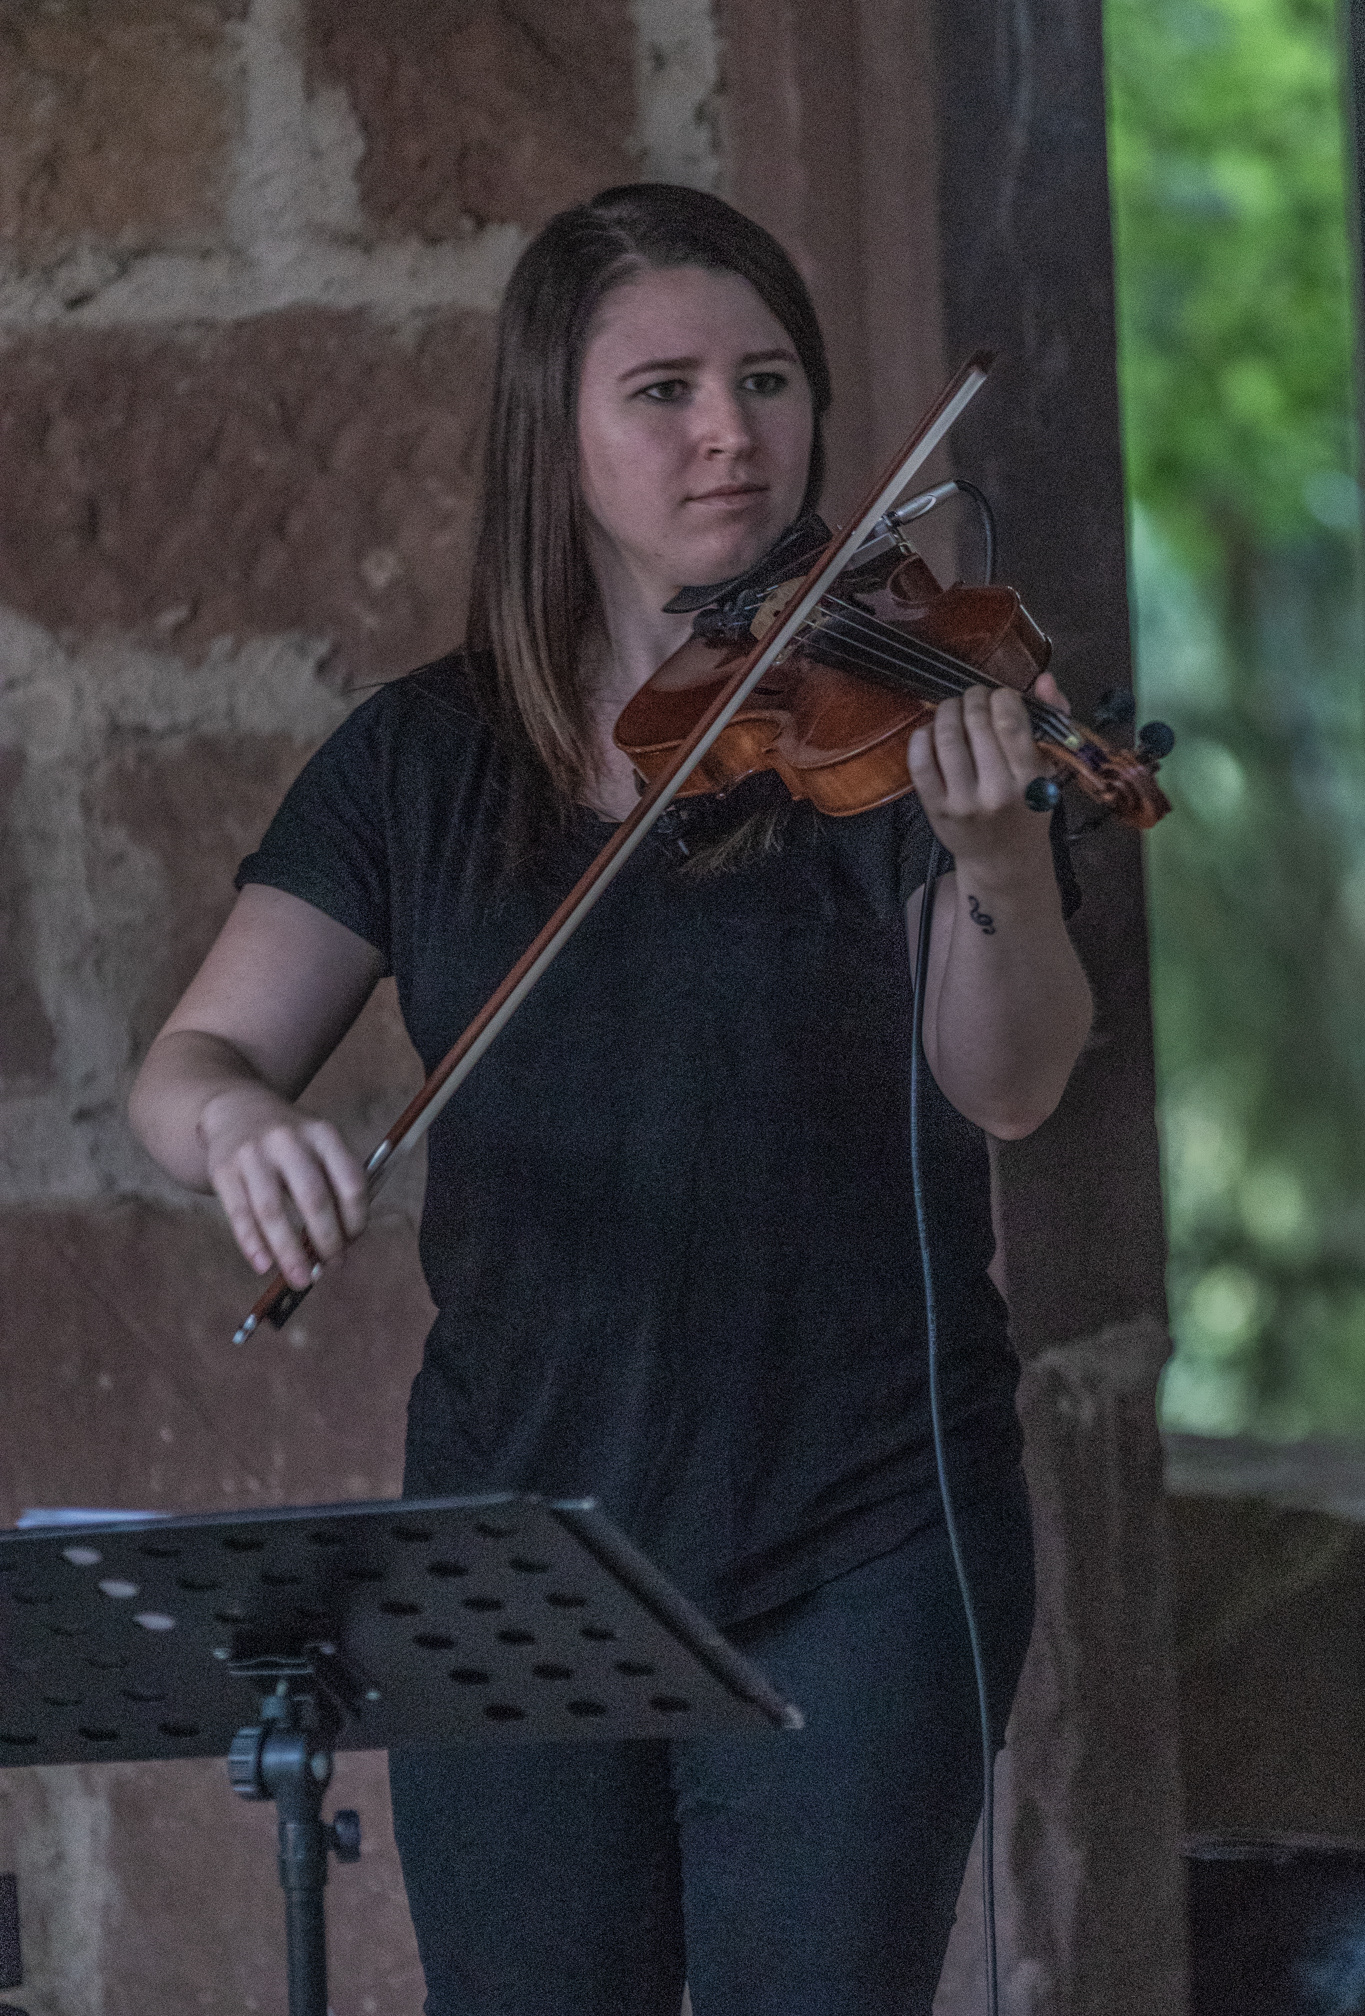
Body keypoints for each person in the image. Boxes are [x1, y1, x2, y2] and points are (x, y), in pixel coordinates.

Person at [129, 183, 1092, 2016]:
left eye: (766, 380)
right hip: (518, 1550)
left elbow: (1015, 1083)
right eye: (663, 391)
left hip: (865, 1530)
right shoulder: (421, 759)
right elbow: (191, 1069)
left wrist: (1000, 864)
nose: (730, 430)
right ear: (551, 437)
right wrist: (240, 1128)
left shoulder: (901, 714)